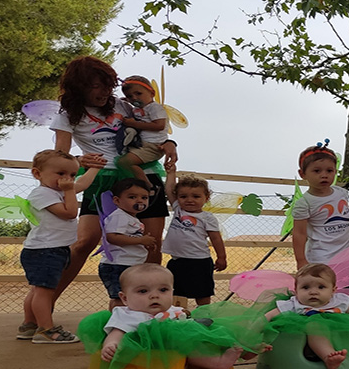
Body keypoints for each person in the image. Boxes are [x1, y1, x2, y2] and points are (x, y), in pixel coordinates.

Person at [49, 56, 177, 307]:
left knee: (151, 242)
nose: (104, 92)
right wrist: (79, 158)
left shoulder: (124, 105)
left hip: (142, 175)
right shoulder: (67, 116)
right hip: (99, 178)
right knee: (85, 241)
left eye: (108, 85)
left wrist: (170, 142)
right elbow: (60, 155)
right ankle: (44, 305)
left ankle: (150, 310)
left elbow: (153, 129)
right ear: (79, 86)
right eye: (96, 86)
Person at [78, 264, 259, 369]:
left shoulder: (171, 309)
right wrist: (112, 344)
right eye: (143, 291)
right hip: (154, 351)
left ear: (172, 291)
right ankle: (217, 362)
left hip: (180, 343)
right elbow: (117, 331)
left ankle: (244, 349)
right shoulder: (128, 315)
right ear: (124, 298)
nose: (154, 296)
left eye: (163, 290)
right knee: (184, 344)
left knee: (213, 330)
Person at [18, 150, 101, 343]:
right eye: (61, 174)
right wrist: (70, 190)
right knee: (44, 292)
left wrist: (94, 169)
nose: (68, 179)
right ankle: (46, 330)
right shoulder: (41, 194)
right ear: (38, 174)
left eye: (72, 174)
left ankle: (29, 325)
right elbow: (70, 212)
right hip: (45, 251)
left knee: (39, 290)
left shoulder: (57, 191)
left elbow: (82, 184)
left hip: (53, 249)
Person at [291, 142, 349, 269]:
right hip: (320, 261)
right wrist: (301, 260)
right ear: (302, 174)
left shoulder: (340, 193)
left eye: (329, 170)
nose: (324, 175)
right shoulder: (304, 203)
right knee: (323, 289)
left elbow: (346, 210)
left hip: (345, 260)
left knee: (345, 289)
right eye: (317, 171)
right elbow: (299, 234)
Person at [162, 163, 226, 306]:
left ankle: (204, 317)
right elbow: (169, 189)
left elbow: (216, 238)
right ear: (177, 198)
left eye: (196, 196)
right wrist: (171, 173)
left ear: (206, 197)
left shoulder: (207, 217)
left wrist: (222, 257)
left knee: (202, 294)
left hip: (200, 262)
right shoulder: (178, 209)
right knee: (175, 294)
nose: (189, 200)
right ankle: (177, 318)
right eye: (183, 196)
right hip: (177, 261)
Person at [99, 179, 157, 310]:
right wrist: (141, 241)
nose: (139, 201)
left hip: (129, 264)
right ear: (116, 200)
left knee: (126, 297)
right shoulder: (119, 216)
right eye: (132, 197)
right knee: (120, 299)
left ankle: (120, 322)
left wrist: (144, 243)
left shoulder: (132, 218)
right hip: (118, 265)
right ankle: (117, 324)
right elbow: (112, 237)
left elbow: (130, 238)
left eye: (144, 197)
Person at [115, 76, 168, 193]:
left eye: (138, 93)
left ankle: (147, 186)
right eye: (130, 96)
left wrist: (135, 124)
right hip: (143, 144)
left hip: (152, 145)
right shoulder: (139, 108)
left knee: (124, 162)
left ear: (152, 93)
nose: (134, 98)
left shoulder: (154, 108)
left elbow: (159, 125)